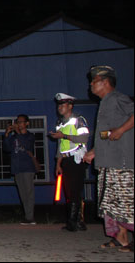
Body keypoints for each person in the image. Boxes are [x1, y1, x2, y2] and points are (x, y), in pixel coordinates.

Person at [83, 65, 134, 253]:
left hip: (123, 162)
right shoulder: (104, 103)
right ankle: (121, 238)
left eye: (94, 81)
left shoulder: (118, 98)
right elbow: (106, 133)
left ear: (105, 82)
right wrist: (95, 150)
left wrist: (121, 130)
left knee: (128, 202)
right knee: (114, 203)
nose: (90, 84)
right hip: (108, 161)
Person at [48, 93, 90, 232]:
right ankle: (76, 222)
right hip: (65, 159)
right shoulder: (59, 123)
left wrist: (64, 135)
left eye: (63, 105)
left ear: (70, 106)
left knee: (75, 191)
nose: (60, 107)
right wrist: (58, 163)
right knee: (68, 191)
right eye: (58, 105)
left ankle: (75, 222)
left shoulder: (78, 120)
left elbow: (84, 138)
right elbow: (61, 145)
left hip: (77, 158)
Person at [3, 114, 38, 226]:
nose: (18, 124)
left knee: (29, 193)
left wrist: (18, 132)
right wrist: (7, 134)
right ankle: (27, 216)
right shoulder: (14, 137)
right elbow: (6, 148)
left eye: (21, 122)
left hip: (27, 167)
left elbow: (27, 146)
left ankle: (30, 217)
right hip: (17, 168)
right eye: (17, 122)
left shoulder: (30, 136)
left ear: (27, 123)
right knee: (22, 194)